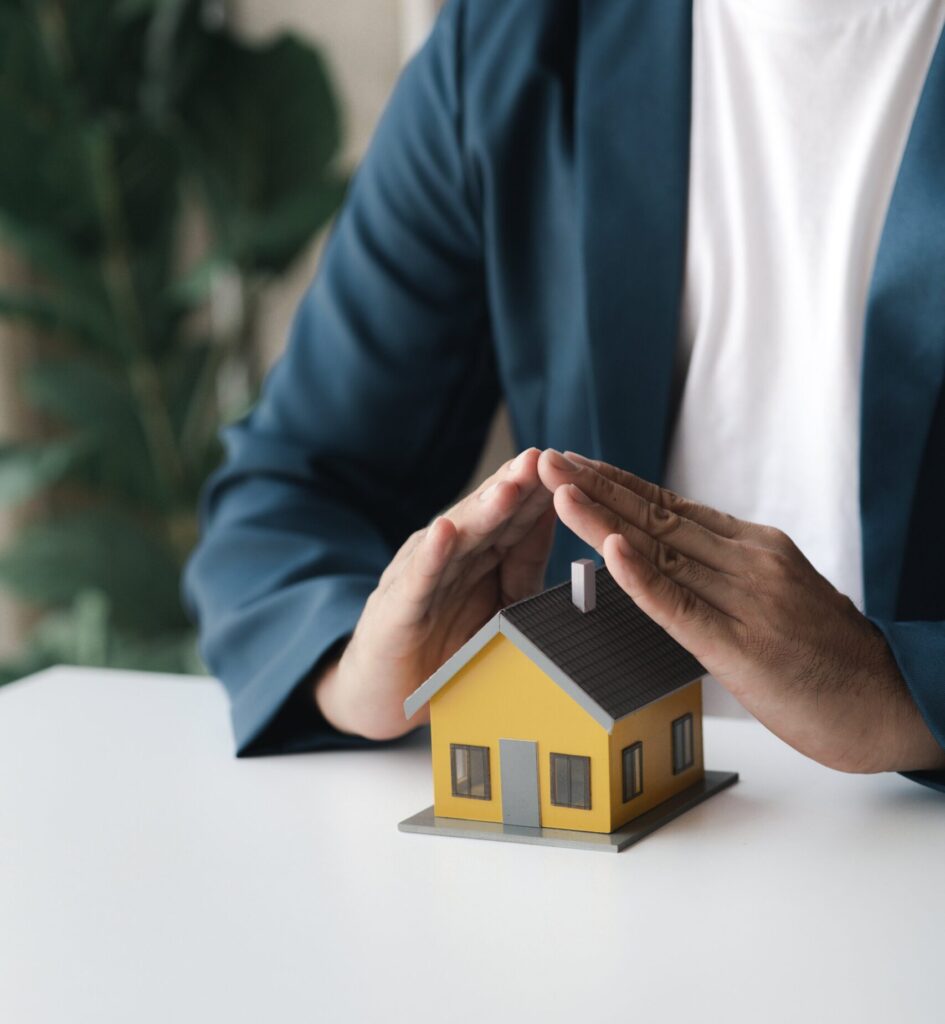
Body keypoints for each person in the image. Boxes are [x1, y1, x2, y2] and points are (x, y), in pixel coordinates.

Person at [184, 0, 945, 789]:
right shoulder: (512, 42)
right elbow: (284, 495)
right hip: (603, 853)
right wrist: (355, 668)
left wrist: (899, 691)